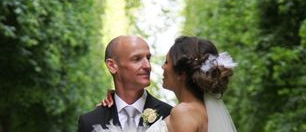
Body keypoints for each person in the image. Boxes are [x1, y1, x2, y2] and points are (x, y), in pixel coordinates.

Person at [98, 36, 238, 132]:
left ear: (181, 74)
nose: (162, 67)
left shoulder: (183, 112)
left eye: (166, 62)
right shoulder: (198, 110)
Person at [77, 35, 173, 132]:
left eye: (148, 58)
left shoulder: (170, 115)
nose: (147, 66)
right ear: (112, 66)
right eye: (136, 59)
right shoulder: (89, 122)